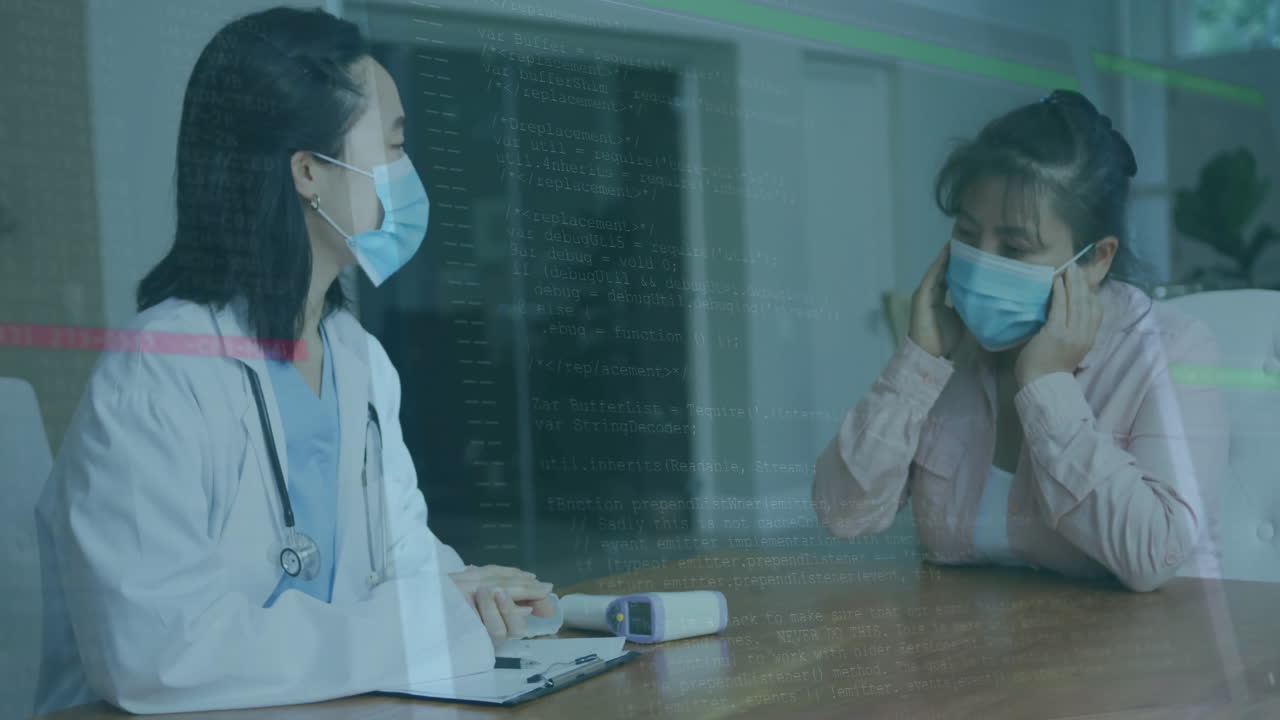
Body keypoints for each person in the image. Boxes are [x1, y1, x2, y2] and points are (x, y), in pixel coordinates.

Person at [33, 7, 553, 715]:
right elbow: (159, 654)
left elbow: (397, 561)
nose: (408, 175)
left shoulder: (357, 358)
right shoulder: (161, 370)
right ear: (309, 172)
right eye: (393, 148)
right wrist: (422, 622)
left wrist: (465, 592)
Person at [812, 90, 1227, 593]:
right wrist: (918, 361)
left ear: (1096, 260)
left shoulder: (1173, 349)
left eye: (1014, 247)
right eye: (967, 234)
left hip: (1120, 657)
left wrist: (1047, 384)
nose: (982, 261)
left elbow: (1152, 555)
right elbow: (842, 514)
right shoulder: (951, 348)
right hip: (963, 654)